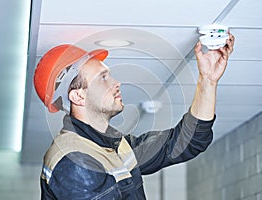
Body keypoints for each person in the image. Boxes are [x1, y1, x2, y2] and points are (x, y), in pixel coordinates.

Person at [33, 33, 235, 199]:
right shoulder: (74, 161)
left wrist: (208, 80)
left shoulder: (115, 146)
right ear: (78, 96)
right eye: (103, 78)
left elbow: (186, 142)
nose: (115, 82)